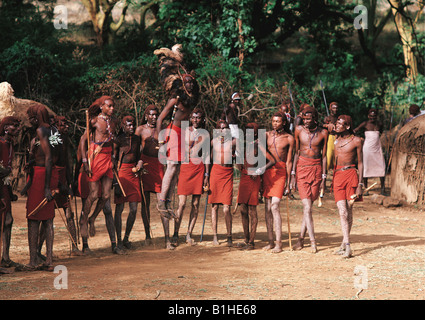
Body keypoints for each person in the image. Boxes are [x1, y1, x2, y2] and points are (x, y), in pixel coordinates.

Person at [79, 96, 123, 255]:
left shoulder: (114, 121)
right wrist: (85, 161)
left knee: (105, 195)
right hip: (96, 157)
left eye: (113, 106)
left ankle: (92, 218)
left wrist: (114, 158)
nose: (112, 109)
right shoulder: (94, 121)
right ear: (102, 106)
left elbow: (113, 141)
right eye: (109, 106)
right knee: (92, 194)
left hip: (108, 158)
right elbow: (83, 139)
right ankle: (84, 219)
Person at [156, 73, 200, 219]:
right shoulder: (176, 99)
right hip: (173, 132)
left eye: (191, 82)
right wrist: (160, 140)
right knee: (172, 166)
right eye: (187, 82)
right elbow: (160, 118)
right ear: (182, 84)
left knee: (176, 170)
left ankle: (167, 201)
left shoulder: (191, 100)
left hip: (182, 133)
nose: (190, 84)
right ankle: (161, 202)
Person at [24, 104, 60, 271]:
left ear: (37, 117)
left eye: (31, 117)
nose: (30, 121)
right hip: (50, 174)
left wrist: (46, 187)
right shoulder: (54, 131)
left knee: (33, 217)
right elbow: (56, 155)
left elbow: (48, 158)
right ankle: (49, 260)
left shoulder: (41, 131)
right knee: (48, 219)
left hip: (41, 176)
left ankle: (33, 261)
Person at [290, 105, 328, 253]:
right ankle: (313, 242)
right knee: (307, 207)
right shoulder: (298, 130)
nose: (306, 121)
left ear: (315, 119)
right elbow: (296, 152)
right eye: (304, 118)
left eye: (309, 119)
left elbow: (324, 156)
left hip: (317, 169)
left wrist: (324, 177)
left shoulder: (323, 133)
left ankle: (300, 239)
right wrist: (293, 174)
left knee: (309, 208)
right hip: (302, 168)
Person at [236, 122, 275, 250]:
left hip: (254, 179)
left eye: (251, 132)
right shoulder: (245, 145)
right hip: (244, 177)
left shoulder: (259, 145)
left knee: (252, 210)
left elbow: (271, 161)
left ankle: (251, 242)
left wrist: (258, 171)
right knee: (242, 209)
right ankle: (246, 239)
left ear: (256, 133)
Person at [174, 108, 209, 246]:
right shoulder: (184, 131)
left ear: (202, 119)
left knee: (195, 204)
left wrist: (207, 174)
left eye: (198, 118)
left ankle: (189, 234)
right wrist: (174, 171)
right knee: (181, 203)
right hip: (185, 167)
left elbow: (206, 155)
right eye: (193, 117)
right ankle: (176, 233)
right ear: (190, 118)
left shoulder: (205, 134)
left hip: (198, 168)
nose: (195, 120)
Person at [333, 115, 363, 258]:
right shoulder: (335, 140)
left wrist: (360, 185)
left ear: (348, 126)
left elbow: (361, 163)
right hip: (337, 176)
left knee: (348, 212)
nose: (337, 125)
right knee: (342, 212)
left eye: (340, 124)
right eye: (336, 123)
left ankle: (346, 245)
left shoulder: (357, 141)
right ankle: (346, 244)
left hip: (351, 175)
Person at [262, 112, 293, 253]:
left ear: (284, 123)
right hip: (268, 172)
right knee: (267, 208)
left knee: (275, 206)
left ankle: (279, 243)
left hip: (281, 173)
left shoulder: (289, 138)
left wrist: (289, 181)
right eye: (273, 121)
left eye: (278, 121)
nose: (275, 123)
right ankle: (270, 241)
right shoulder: (266, 135)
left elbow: (289, 161)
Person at [135, 105, 164, 245]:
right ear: (146, 115)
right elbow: (135, 148)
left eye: (155, 115)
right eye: (151, 115)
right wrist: (137, 165)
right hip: (144, 164)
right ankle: (147, 235)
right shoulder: (140, 130)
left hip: (158, 165)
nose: (153, 117)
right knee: (145, 203)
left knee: (162, 201)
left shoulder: (162, 129)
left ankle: (167, 235)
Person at [113, 115, 143, 250]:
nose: (131, 128)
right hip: (122, 174)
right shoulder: (118, 140)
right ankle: (118, 240)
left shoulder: (137, 139)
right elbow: (113, 160)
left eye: (133, 125)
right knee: (119, 208)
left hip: (133, 174)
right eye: (128, 125)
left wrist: (140, 164)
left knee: (134, 209)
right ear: (123, 126)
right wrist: (115, 181)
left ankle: (126, 238)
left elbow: (139, 157)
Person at [206, 120, 236, 246]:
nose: (223, 131)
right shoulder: (213, 142)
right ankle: (215, 236)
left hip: (227, 174)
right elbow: (208, 158)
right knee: (214, 206)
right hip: (215, 173)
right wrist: (206, 176)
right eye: (221, 128)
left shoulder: (233, 142)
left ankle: (229, 236)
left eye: (225, 129)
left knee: (226, 207)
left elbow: (239, 155)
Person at [0, 116, 22, 273]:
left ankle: (5, 257)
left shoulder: (10, 144)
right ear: (6, 128)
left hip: (5, 187)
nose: (18, 129)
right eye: (15, 126)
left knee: (8, 220)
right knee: (4, 220)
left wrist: (11, 191)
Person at [353, 108, 385, 195]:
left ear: (376, 117)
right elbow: (355, 131)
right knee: (366, 168)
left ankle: (383, 189)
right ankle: (366, 189)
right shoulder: (365, 124)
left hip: (377, 148)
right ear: (368, 116)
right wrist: (358, 139)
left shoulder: (379, 124)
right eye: (371, 116)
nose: (372, 118)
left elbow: (381, 133)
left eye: (374, 116)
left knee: (381, 167)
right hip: (367, 149)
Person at [322, 102, 340, 173]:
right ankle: (324, 174)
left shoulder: (339, 118)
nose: (335, 109)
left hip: (338, 137)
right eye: (333, 108)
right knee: (328, 156)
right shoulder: (327, 118)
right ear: (330, 109)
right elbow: (321, 125)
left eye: (336, 108)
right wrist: (327, 125)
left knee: (336, 158)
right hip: (330, 138)